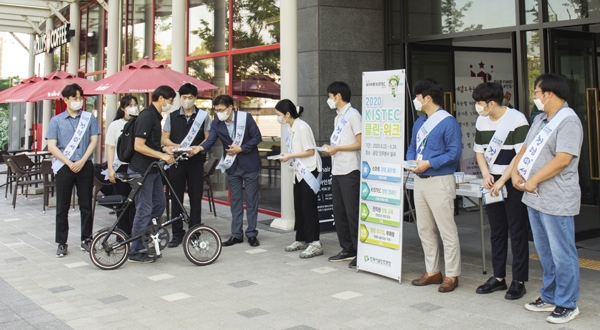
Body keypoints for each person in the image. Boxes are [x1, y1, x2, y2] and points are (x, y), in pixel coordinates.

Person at [512, 73, 583, 324]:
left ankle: (567, 303)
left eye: (536, 93)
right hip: (534, 197)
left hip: (556, 198)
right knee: (545, 251)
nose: (535, 97)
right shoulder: (541, 119)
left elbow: (563, 159)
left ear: (548, 94)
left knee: (562, 252)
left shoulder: (569, 122)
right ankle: (550, 295)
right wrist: (517, 172)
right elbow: (525, 148)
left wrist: (533, 180)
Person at [472, 82, 530, 299]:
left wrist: (502, 180)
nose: (477, 107)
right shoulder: (481, 120)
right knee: (497, 231)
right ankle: (498, 277)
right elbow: (479, 151)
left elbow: (520, 155)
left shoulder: (516, 118)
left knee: (517, 230)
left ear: (492, 103)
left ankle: (519, 280)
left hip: (513, 180)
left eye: (479, 103)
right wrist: (487, 175)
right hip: (491, 181)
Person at [406, 78, 462, 292]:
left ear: (427, 98)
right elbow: (412, 146)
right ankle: (432, 271)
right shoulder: (420, 121)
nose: (416, 101)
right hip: (419, 181)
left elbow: (454, 153)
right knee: (424, 229)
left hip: (440, 181)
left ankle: (452, 274)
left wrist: (429, 163)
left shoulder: (448, 122)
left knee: (447, 230)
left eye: (418, 97)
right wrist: (411, 162)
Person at [198, 95, 262, 247]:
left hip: (250, 164)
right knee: (235, 202)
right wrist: (198, 149)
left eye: (221, 110)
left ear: (230, 108)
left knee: (252, 201)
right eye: (216, 110)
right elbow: (210, 141)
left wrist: (241, 148)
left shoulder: (245, 118)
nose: (218, 113)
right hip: (232, 166)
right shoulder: (216, 123)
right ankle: (236, 234)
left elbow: (257, 137)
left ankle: (252, 233)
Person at [46, 83, 101, 257]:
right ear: (66, 100)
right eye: (74, 98)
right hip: (64, 166)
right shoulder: (56, 120)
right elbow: (51, 146)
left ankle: (87, 239)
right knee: (62, 206)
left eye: (80, 98)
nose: (78, 101)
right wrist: (69, 163)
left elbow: (94, 140)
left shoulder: (88, 117)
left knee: (86, 204)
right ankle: (61, 242)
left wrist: (83, 160)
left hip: (85, 165)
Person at [127, 86, 176, 263]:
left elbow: (151, 145)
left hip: (152, 170)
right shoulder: (147, 116)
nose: (170, 104)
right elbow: (138, 146)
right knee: (145, 208)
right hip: (141, 171)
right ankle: (135, 250)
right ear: (161, 98)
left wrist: (165, 149)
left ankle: (145, 238)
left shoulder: (156, 116)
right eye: (170, 101)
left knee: (159, 204)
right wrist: (162, 155)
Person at [162, 83, 211, 248]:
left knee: (196, 196)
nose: (187, 101)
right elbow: (164, 138)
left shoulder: (203, 116)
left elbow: (208, 137)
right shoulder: (172, 116)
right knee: (176, 197)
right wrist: (178, 147)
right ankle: (177, 233)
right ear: (180, 98)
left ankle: (194, 231)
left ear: (195, 98)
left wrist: (197, 149)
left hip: (196, 162)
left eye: (190, 98)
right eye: (184, 98)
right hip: (177, 161)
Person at [320, 81, 362, 268]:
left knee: (352, 212)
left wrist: (337, 148)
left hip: (350, 169)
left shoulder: (353, 115)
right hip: (337, 169)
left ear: (338, 96)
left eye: (330, 96)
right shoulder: (338, 117)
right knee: (339, 211)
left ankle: (360, 251)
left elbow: (360, 143)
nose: (329, 100)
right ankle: (347, 248)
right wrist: (331, 149)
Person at [275, 99, 323, 258]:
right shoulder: (288, 129)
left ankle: (315, 242)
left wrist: (290, 155)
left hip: (309, 171)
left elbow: (310, 151)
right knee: (299, 207)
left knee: (309, 207)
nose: (278, 118)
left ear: (287, 114)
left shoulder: (302, 127)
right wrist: (287, 156)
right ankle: (301, 238)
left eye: (279, 115)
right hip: (298, 173)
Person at [105, 95, 139, 236]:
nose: (133, 108)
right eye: (130, 105)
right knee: (121, 202)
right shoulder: (115, 125)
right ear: (123, 108)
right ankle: (122, 235)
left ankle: (135, 234)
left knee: (136, 203)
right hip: (120, 167)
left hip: (136, 167)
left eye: (135, 105)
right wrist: (110, 168)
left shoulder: (139, 123)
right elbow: (110, 147)